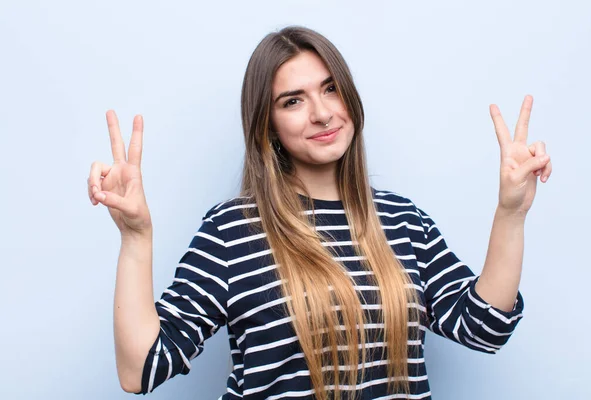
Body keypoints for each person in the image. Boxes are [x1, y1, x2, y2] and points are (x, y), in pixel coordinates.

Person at [87, 26, 552, 400]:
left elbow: (485, 327)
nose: (322, 113)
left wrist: (511, 213)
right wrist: (135, 238)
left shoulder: (404, 221)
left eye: (331, 90)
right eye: (293, 101)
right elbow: (141, 371)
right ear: (266, 125)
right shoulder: (232, 231)